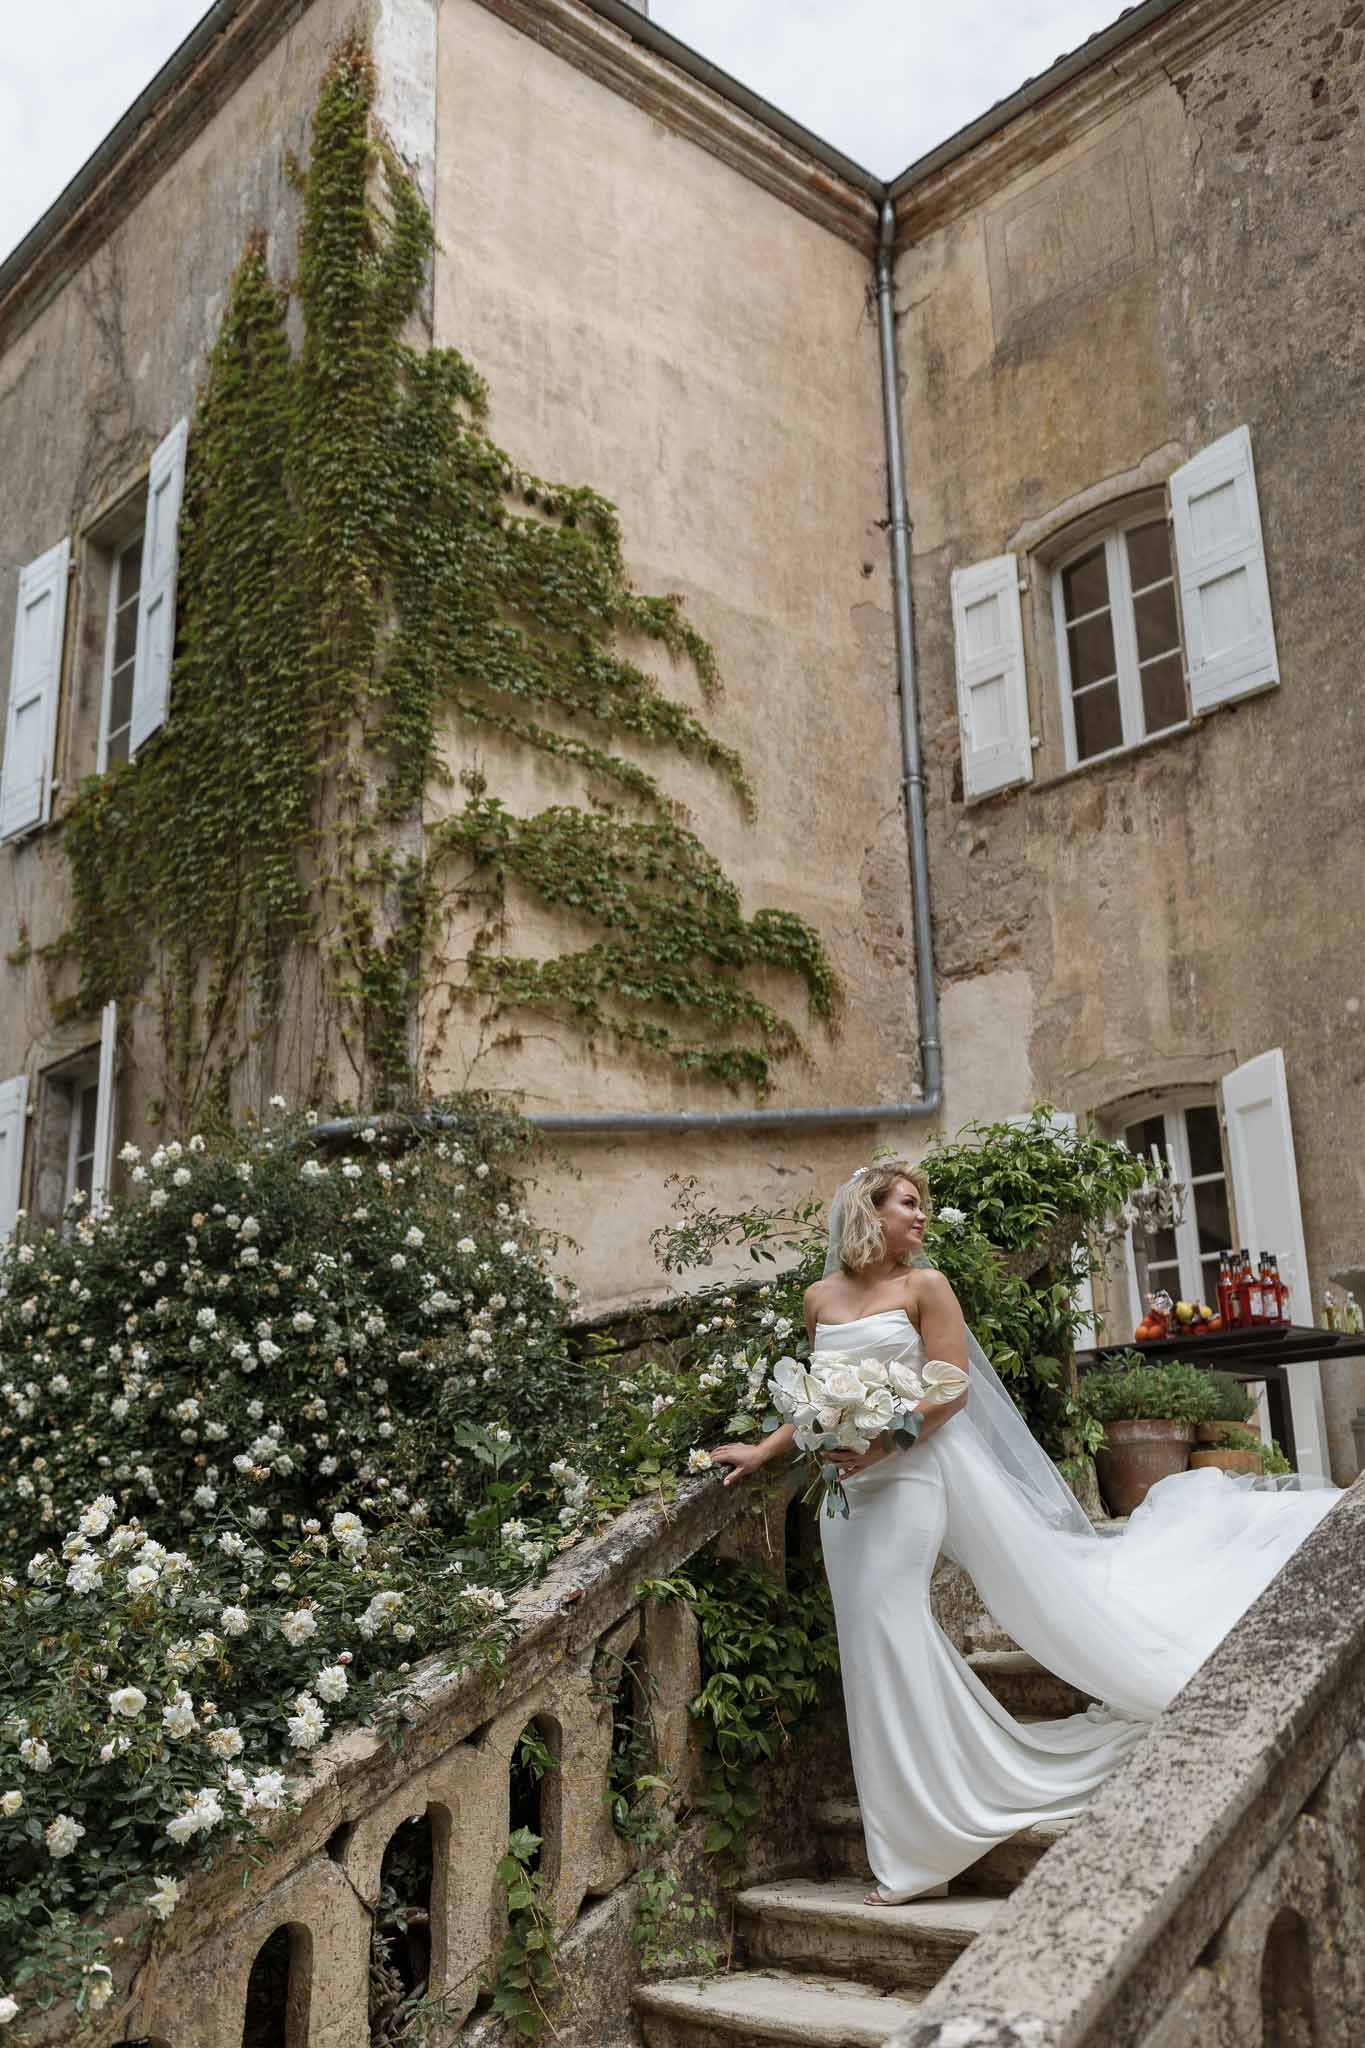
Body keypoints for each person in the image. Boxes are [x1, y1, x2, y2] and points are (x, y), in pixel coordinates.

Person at [709, 1158, 1341, 1905]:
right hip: (844, 1499)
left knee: (894, 1636)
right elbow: (813, 1398)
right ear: (866, 1210)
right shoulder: (818, 1297)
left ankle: (928, 1843)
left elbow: (949, 1387)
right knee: (866, 1655)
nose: (920, 1218)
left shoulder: (925, 1287)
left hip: (908, 1480)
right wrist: (767, 1448)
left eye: (922, 1206)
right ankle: (916, 1836)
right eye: (907, 1204)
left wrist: (883, 1442)